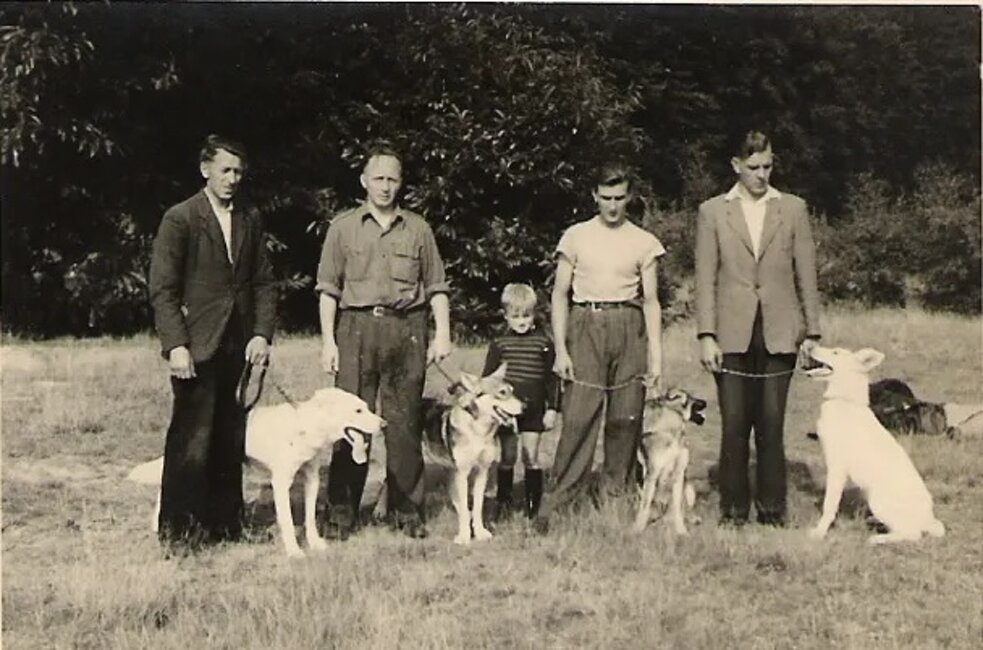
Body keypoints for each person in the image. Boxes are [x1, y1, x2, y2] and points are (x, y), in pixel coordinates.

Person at [316, 140, 452, 540]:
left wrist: (440, 333)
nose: (385, 186)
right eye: (378, 178)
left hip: (406, 328)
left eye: (392, 178)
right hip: (355, 329)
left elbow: (437, 286)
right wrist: (328, 342)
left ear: (401, 183)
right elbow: (328, 290)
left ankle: (406, 511)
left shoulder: (419, 229)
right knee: (350, 422)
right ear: (363, 181)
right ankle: (341, 514)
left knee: (404, 422)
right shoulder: (342, 228)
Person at [149, 134, 276, 551]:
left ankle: (226, 525)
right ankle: (181, 533)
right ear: (205, 170)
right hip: (196, 346)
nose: (232, 179)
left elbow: (263, 282)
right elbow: (163, 290)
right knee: (191, 439)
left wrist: (260, 334)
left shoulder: (250, 218)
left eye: (239, 171)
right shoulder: (181, 218)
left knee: (229, 436)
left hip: (237, 346)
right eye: (225, 170)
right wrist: (177, 345)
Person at [694, 130, 822, 527]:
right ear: (736, 166)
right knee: (734, 424)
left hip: (779, 329)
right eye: (753, 168)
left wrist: (813, 331)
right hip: (731, 330)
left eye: (767, 166)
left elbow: (807, 273)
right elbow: (705, 278)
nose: (761, 175)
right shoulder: (713, 211)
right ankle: (733, 511)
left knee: (771, 421)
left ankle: (771, 510)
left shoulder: (793, 208)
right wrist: (706, 335)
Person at [533, 163, 665, 534]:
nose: (612, 206)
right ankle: (556, 505)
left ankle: (617, 502)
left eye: (619, 198)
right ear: (594, 196)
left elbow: (652, 301)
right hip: (585, 323)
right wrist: (561, 349)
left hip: (628, 325)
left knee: (625, 418)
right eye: (605, 198)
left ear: (629, 197)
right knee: (578, 417)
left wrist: (656, 358)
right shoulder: (575, 236)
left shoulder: (643, 241)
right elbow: (558, 294)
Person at [481, 283, 560, 521]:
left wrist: (553, 409)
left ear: (534, 313)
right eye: (515, 317)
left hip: (534, 409)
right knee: (507, 456)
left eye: (526, 315)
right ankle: (503, 505)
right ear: (506, 316)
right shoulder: (499, 344)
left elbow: (552, 380)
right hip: (507, 411)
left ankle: (533, 509)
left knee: (531, 456)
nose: (522, 321)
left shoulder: (544, 343)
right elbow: (488, 380)